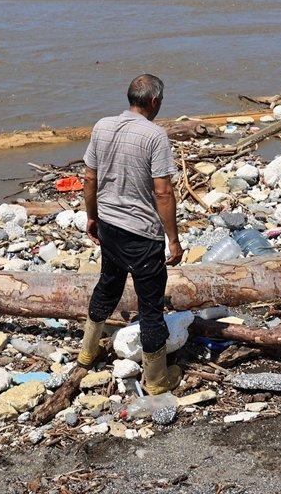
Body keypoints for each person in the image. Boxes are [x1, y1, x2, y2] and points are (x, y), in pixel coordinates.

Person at [76, 74, 184, 395]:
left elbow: (89, 178)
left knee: (108, 284)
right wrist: (173, 239)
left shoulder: (102, 126)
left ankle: (87, 351)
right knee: (150, 305)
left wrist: (92, 216)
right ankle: (157, 378)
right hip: (141, 234)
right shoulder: (155, 135)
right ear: (154, 101)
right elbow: (163, 192)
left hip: (109, 225)